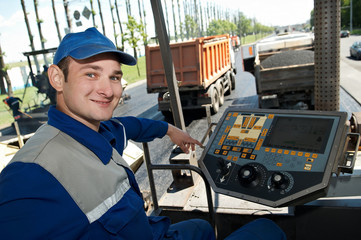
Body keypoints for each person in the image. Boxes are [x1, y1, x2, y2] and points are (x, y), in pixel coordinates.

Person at [0, 28, 286, 240]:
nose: (108, 89)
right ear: (57, 78)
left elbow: (134, 126)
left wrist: (170, 130)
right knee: (270, 230)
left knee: (200, 226)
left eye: (113, 76)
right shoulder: (29, 177)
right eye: (91, 74)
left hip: (151, 233)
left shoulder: (101, 133)